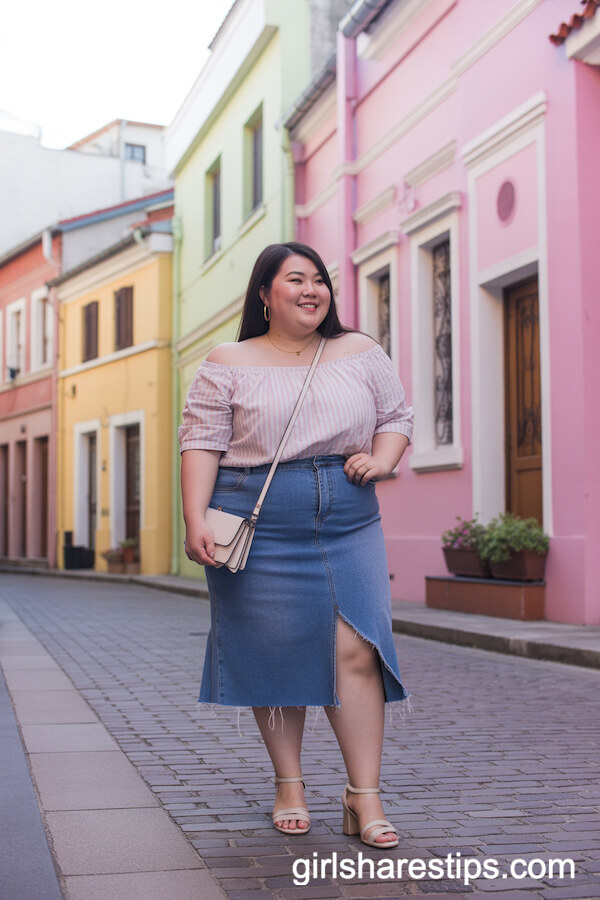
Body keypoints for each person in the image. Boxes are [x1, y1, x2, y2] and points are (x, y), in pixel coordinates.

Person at [179, 241, 414, 848]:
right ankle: (289, 783)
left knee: (358, 647)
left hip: (348, 517)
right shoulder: (228, 359)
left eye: (319, 280)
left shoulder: (359, 351)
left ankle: (364, 796)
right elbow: (201, 440)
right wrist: (194, 518)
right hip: (255, 516)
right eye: (295, 279)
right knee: (274, 651)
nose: (312, 290)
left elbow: (396, 417)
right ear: (264, 294)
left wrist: (382, 460)